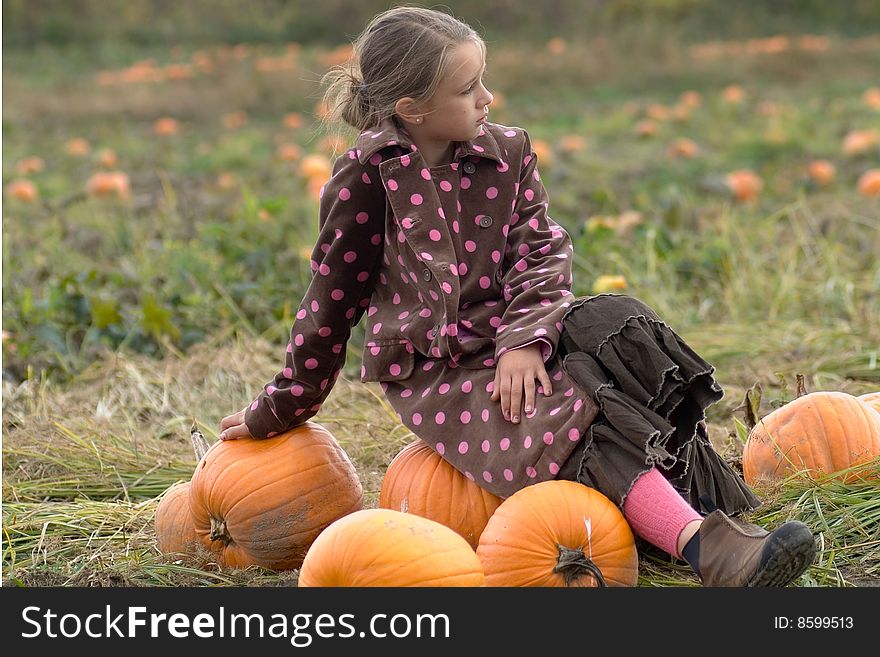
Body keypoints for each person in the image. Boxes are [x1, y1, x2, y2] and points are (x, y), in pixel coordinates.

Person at [219, 5, 816, 587]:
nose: (488, 98)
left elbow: (542, 252)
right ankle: (705, 547)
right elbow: (329, 305)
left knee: (617, 321)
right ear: (412, 109)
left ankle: (694, 494)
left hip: (522, 327)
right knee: (565, 416)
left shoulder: (507, 155)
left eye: (484, 81)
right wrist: (279, 409)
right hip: (441, 367)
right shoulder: (365, 184)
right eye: (468, 88)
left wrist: (524, 340)